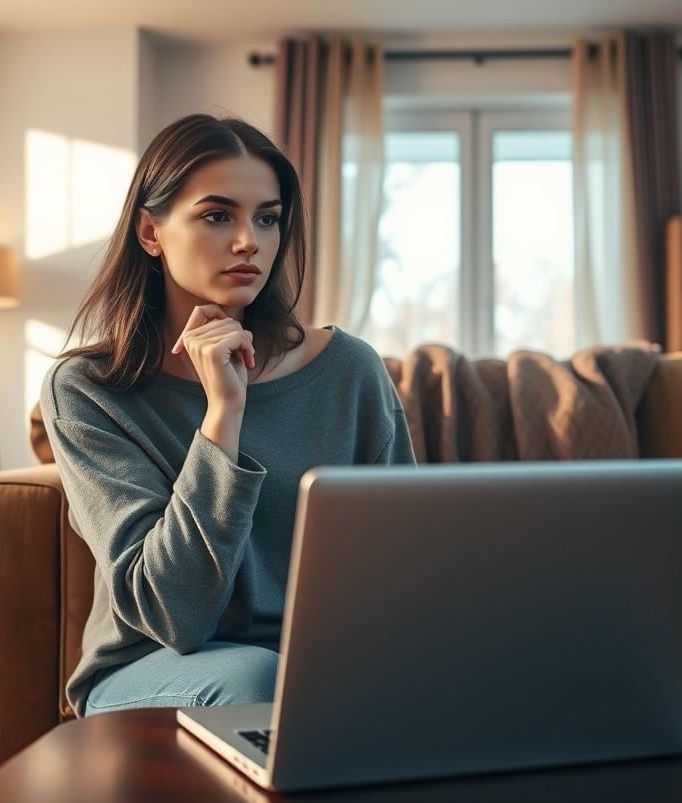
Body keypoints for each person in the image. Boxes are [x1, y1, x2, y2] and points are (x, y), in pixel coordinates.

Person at [40, 113, 417, 718]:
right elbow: (173, 613)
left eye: (267, 218)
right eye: (218, 216)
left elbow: (408, 563)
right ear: (150, 232)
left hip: (321, 660)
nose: (250, 241)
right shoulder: (87, 391)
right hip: (153, 669)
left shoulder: (350, 370)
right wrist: (223, 415)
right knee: (257, 676)